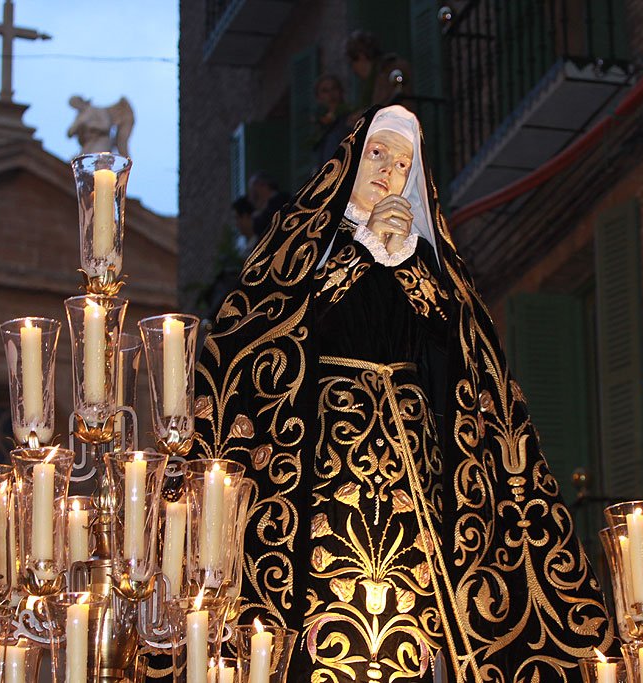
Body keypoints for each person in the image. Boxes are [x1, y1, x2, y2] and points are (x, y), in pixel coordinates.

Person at [193, 105, 614, 681]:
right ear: (349, 161)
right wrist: (364, 252)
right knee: (331, 610)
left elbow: (463, 362)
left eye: (403, 162)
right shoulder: (304, 250)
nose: (389, 171)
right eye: (378, 154)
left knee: (415, 619)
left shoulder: (428, 265)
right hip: (322, 465)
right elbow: (265, 336)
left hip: (416, 465)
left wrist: (407, 263)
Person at [345, 30, 412, 115]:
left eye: (352, 63)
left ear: (361, 56)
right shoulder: (375, 77)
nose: (354, 70)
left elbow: (388, 103)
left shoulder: (389, 70)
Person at [311, 74, 352, 165]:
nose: (331, 94)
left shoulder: (351, 117)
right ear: (319, 97)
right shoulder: (320, 125)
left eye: (334, 89)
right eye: (325, 91)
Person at [247, 171, 289, 240]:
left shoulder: (280, 204)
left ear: (264, 186)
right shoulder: (283, 199)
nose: (252, 199)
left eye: (254, 193)